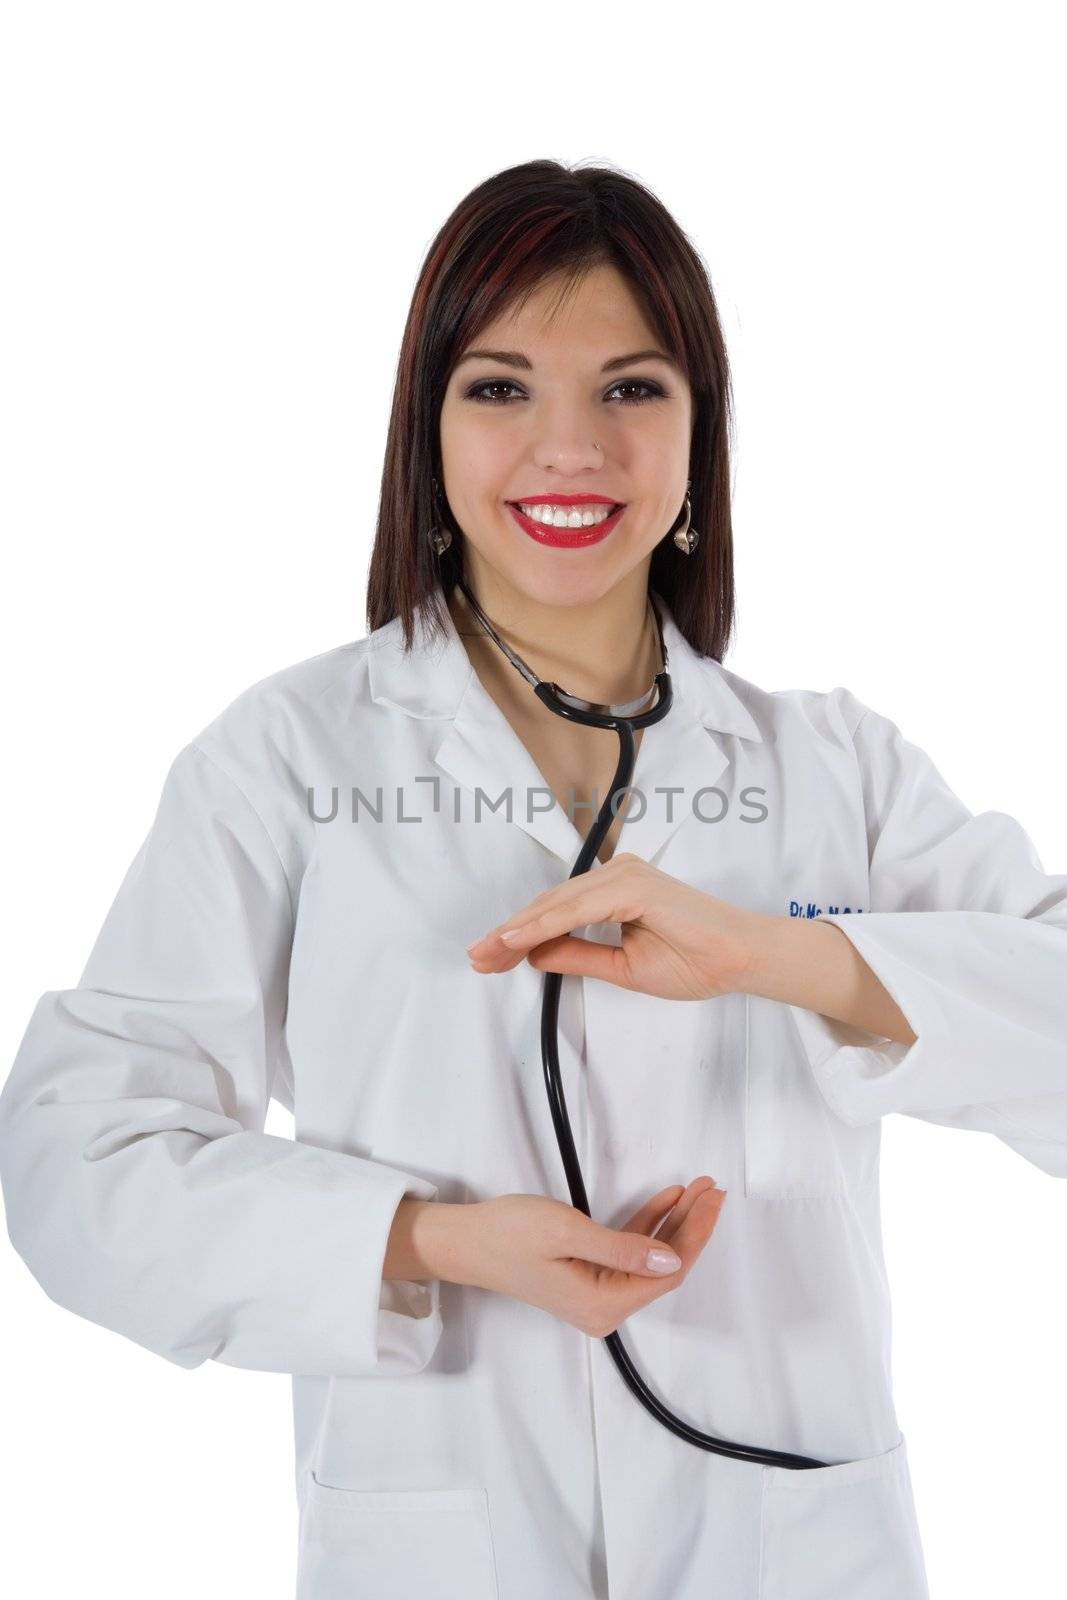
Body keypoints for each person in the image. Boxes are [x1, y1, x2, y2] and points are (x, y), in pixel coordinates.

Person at [1, 158, 1064, 1600]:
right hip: (443, 1549)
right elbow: (77, 1159)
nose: (571, 448)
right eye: (500, 389)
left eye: (633, 390)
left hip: (794, 1545)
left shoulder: (836, 770)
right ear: (425, 432)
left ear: (700, 439)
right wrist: (430, 1243)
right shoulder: (285, 759)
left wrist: (784, 956)